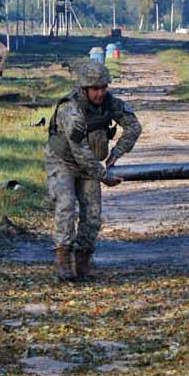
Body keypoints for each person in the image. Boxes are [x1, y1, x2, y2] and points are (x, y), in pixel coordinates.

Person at [45, 59, 142, 281]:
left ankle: (83, 261)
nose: (100, 93)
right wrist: (104, 176)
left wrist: (116, 153)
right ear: (84, 88)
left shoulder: (109, 103)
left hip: (90, 165)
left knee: (92, 214)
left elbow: (134, 126)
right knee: (66, 205)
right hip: (63, 162)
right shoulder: (70, 110)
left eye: (103, 88)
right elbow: (80, 153)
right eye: (95, 89)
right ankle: (63, 260)